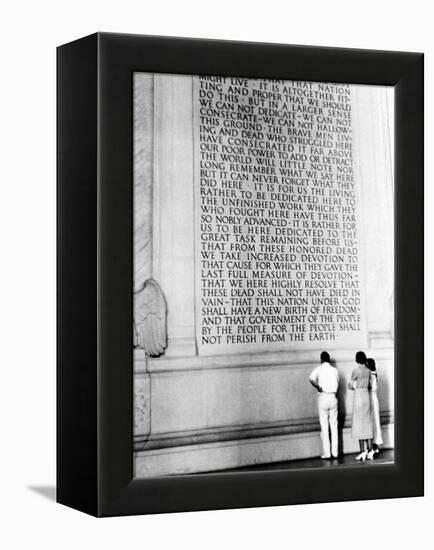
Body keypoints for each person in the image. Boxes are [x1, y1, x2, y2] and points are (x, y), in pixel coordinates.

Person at [309, 351, 340, 459]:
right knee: (334, 427)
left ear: (321, 359)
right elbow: (338, 382)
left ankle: (327, 453)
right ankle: (335, 452)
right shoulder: (334, 370)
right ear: (329, 359)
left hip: (323, 398)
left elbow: (311, 378)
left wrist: (318, 387)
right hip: (333, 397)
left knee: (325, 427)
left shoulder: (319, 369)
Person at [348, 351, 374, 461]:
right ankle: (370, 449)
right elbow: (369, 385)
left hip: (358, 396)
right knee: (367, 422)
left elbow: (351, 385)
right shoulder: (368, 371)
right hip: (366, 396)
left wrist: (350, 386)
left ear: (357, 359)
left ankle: (362, 451)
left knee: (358, 423)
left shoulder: (355, 371)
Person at [367, 357, 383, 455]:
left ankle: (374, 446)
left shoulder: (371, 375)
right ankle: (375, 445)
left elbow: (370, 387)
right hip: (373, 399)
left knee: (373, 423)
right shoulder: (374, 374)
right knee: (375, 422)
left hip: (371, 400)